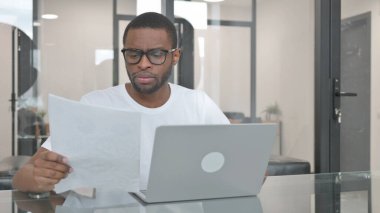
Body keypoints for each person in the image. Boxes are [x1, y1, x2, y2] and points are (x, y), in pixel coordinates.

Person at [12, 12, 229, 193]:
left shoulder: (198, 105)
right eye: (134, 53)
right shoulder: (95, 105)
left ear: (175, 57)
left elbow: (236, 163)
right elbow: (22, 178)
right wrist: (39, 178)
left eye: (156, 54)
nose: (143, 64)